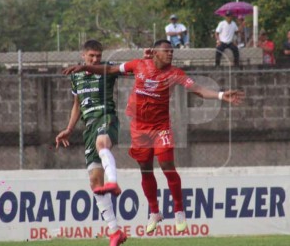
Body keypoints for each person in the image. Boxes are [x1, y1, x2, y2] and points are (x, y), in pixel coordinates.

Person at [62, 40, 244, 234]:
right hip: (140, 129)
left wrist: (220, 95)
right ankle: (154, 212)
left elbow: (198, 89)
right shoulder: (138, 65)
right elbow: (111, 70)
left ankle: (179, 210)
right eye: (166, 51)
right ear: (155, 53)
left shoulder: (174, 73)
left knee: (166, 164)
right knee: (146, 169)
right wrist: (85, 68)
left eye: (171, 51)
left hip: (161, 128)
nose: (170, 54)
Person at [55, 40, 126, 246]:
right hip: (89, 126)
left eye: (98, 55)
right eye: (91, 56)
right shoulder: (76, 76)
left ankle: (113, 182)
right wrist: (69, 128)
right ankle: (115, 232)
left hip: (106, 117)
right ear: (83, 54)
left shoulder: (107, 69)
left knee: (102, 143)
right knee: (95, 182)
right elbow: (77, 104)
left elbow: (127, 69)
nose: (95, 59)